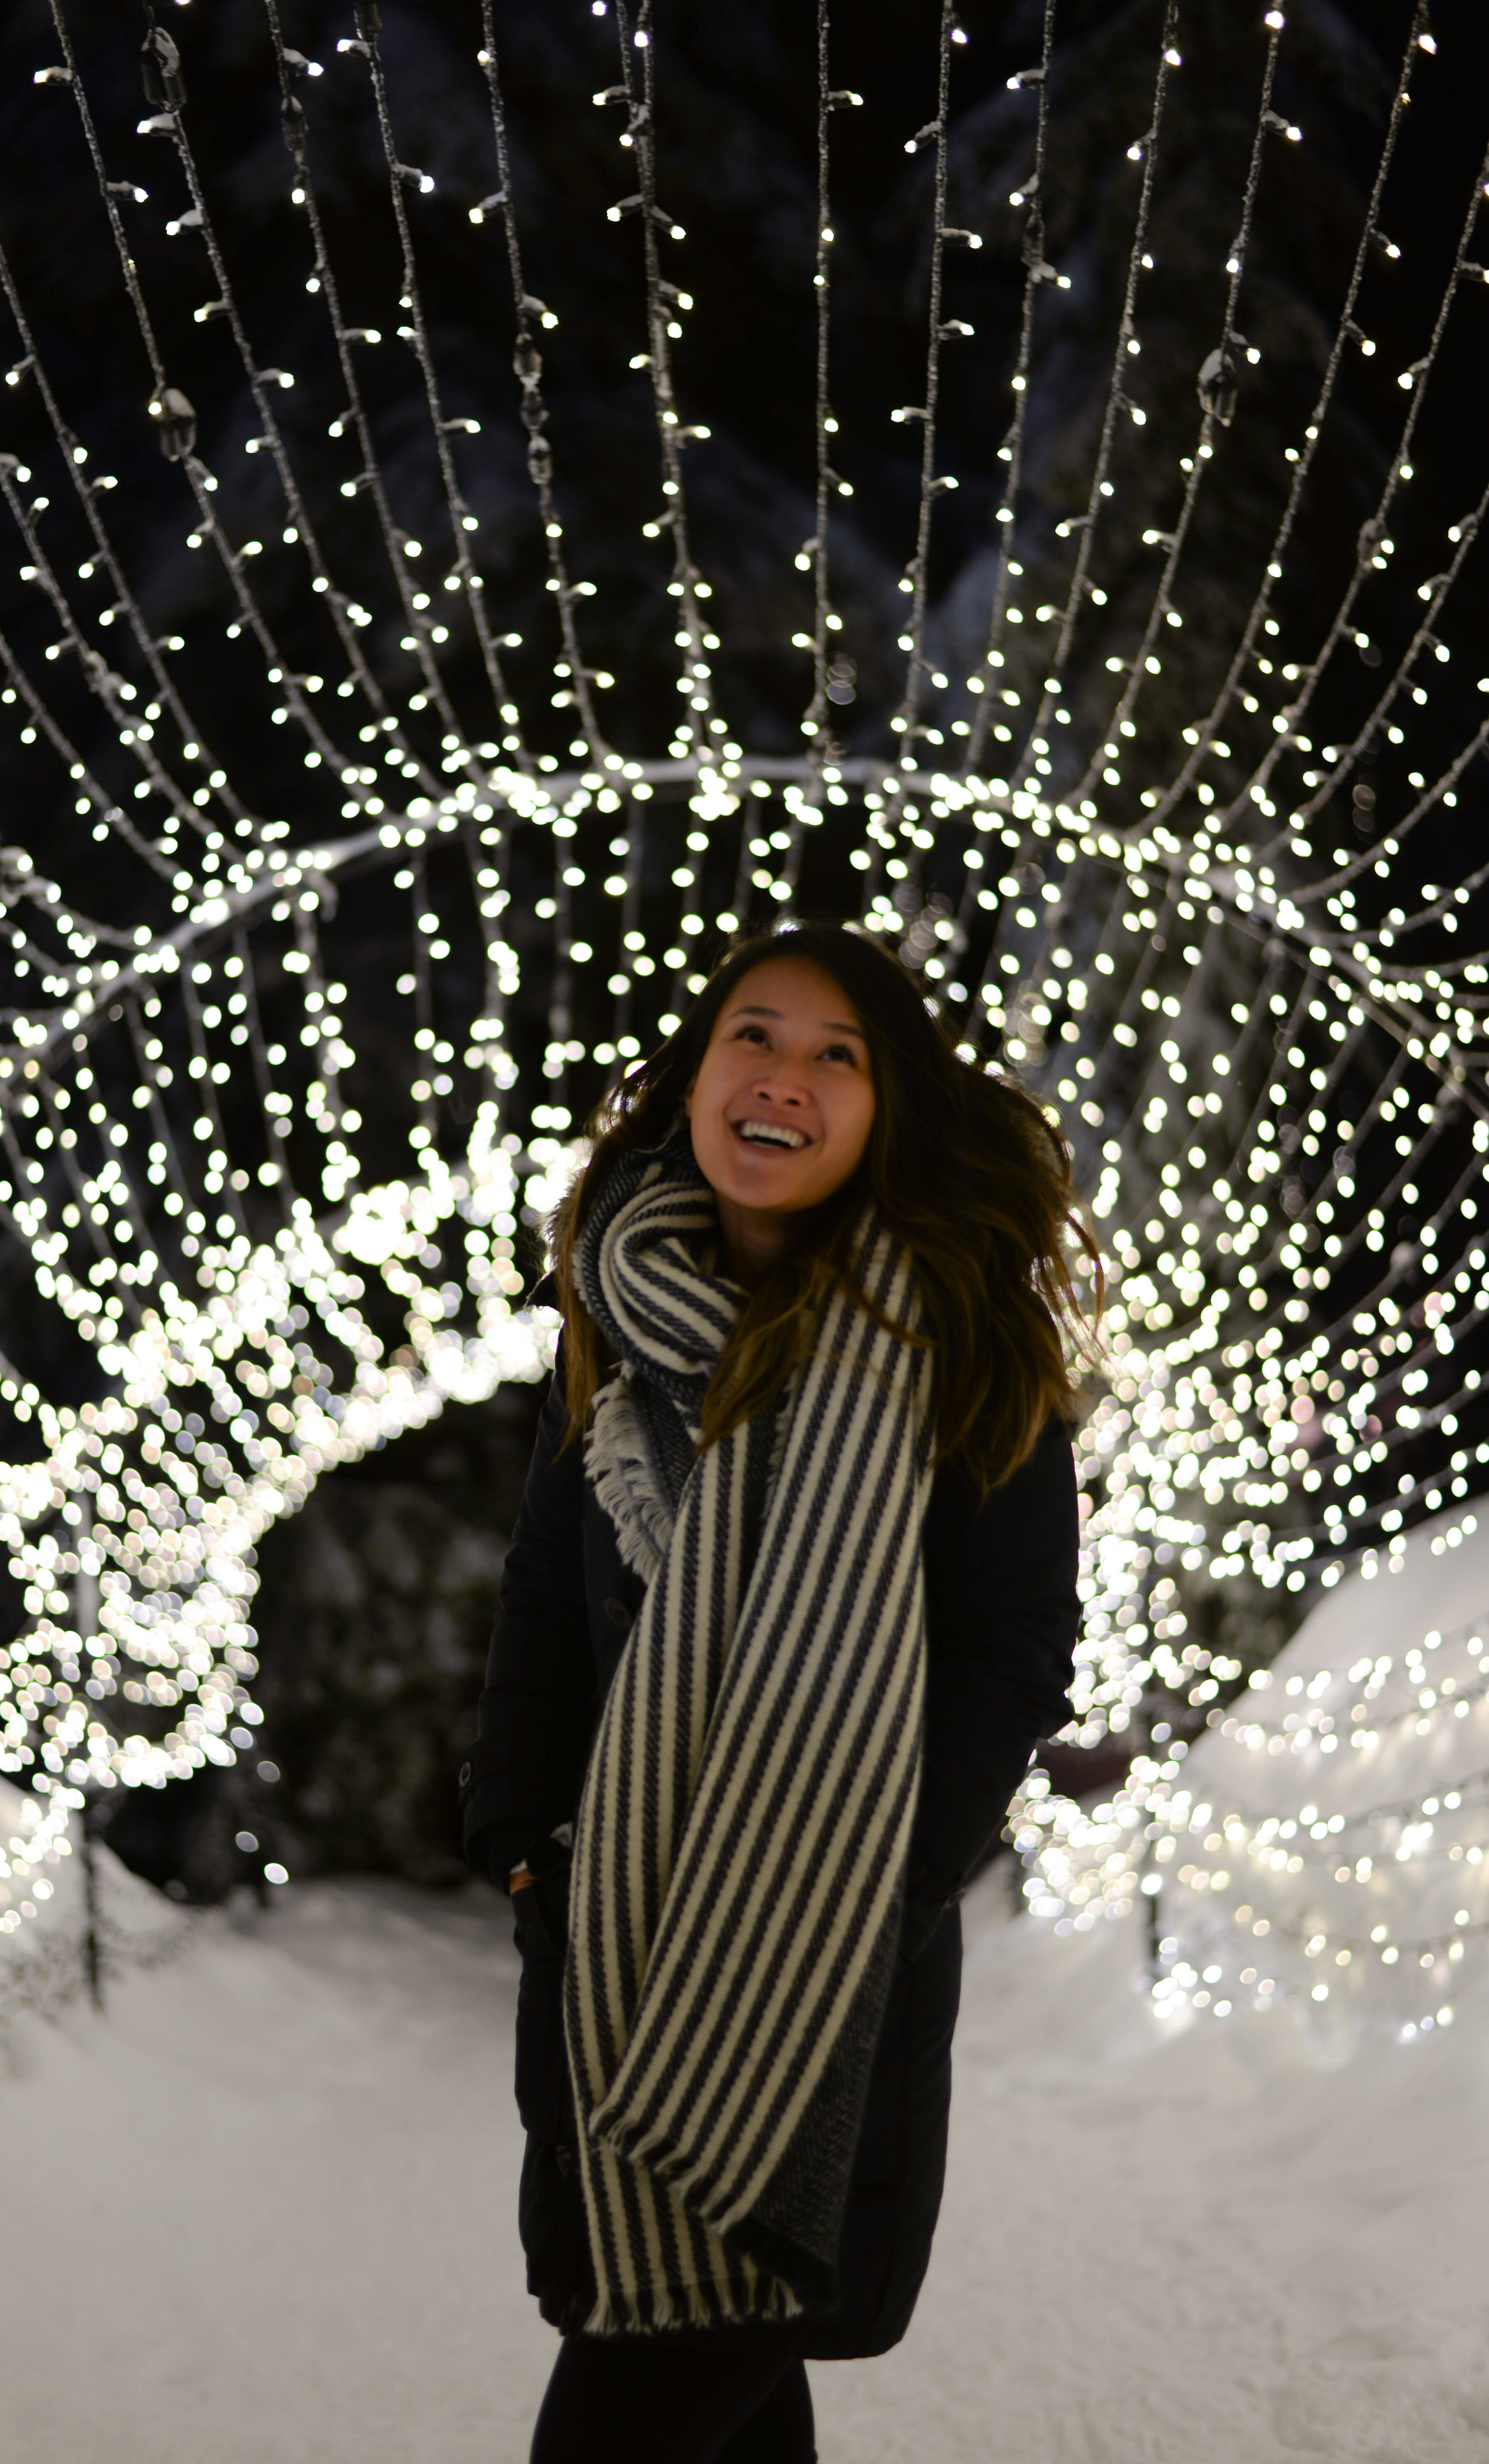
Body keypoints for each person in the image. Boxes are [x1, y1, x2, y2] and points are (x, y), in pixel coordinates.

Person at [460, 920, 1097, 2463]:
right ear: (695, 1075)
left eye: (837, 1057)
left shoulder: (956, 1342)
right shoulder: (617, 1326)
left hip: (827, 1958)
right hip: (622, 1920)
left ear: (889, 1112)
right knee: (720, 2368)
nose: (783, 1080)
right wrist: (525, 1834)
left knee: (662, 2373)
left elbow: (1021, 1647)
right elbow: (552, 1591)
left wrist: (888, 1876)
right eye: (756, 1035)